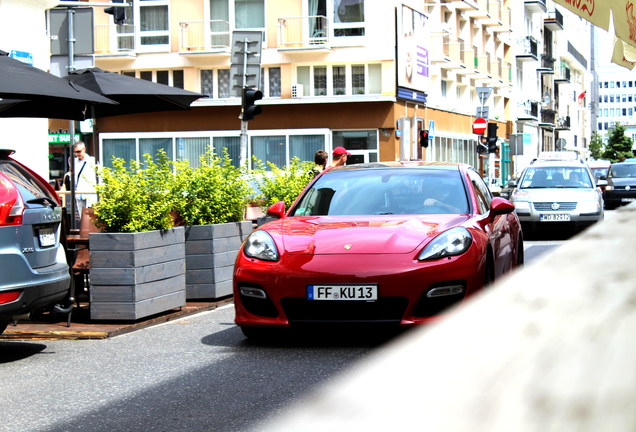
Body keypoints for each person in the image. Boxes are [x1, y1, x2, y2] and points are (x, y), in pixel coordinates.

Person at [72, 141, 98, 220]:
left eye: (79, 151)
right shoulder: (74, 162)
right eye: (75, 152)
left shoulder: (92, 160)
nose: (77, 154)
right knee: (82, 217)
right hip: (79, 192)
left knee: (91, 216)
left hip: (90, 192)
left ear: (84, 149)